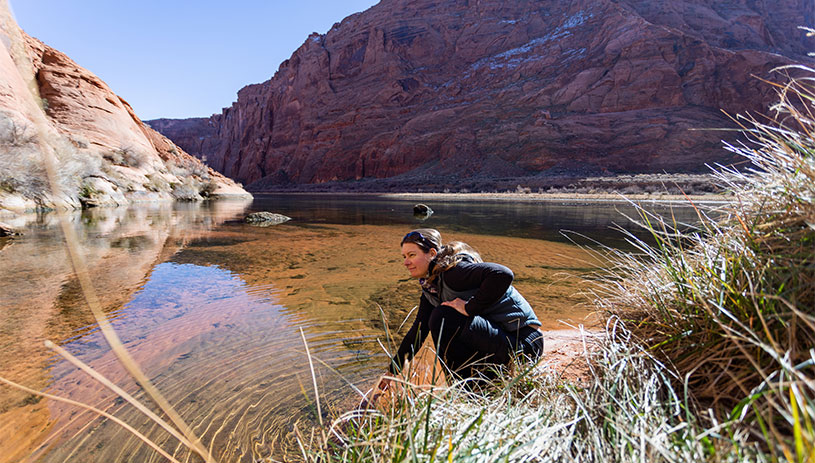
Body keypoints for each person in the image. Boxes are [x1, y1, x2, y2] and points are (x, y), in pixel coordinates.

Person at [387, 228, 544, 381]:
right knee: (439, 318)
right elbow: (418, 331)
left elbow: (502, 274)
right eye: (404, 257)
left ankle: (465, 388)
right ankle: (472, 386)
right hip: (500, 341)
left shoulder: (453, 273)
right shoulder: (431, 286)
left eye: (412, 255)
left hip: (525, 345)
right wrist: (393, 371)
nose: (406, 262)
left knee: (442, 316)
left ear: (432, 253)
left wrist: (469, 308)